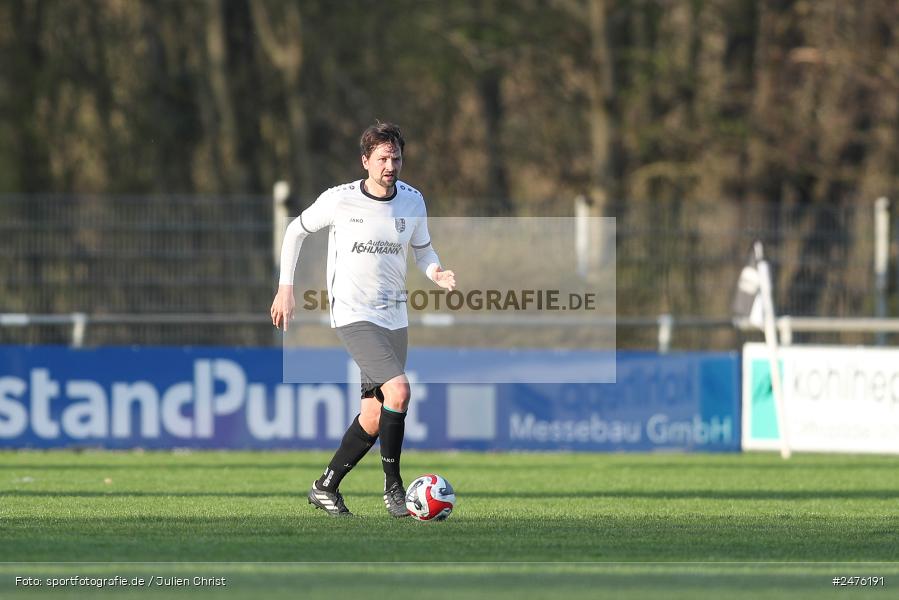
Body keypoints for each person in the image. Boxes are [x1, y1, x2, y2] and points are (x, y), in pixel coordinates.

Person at [270, 122, 455, 517]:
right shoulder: (340, 201)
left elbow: (423, 251)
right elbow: (294, 231)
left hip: (394, 315)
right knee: (400, 391)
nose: (391, 165)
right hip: (353, 314)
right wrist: (286, 287)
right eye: (383, 158)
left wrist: (435, 271)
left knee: (374, 414)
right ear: (365, 161)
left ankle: (325, 487)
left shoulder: (412, 201)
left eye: (397, 158)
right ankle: (394, 489)